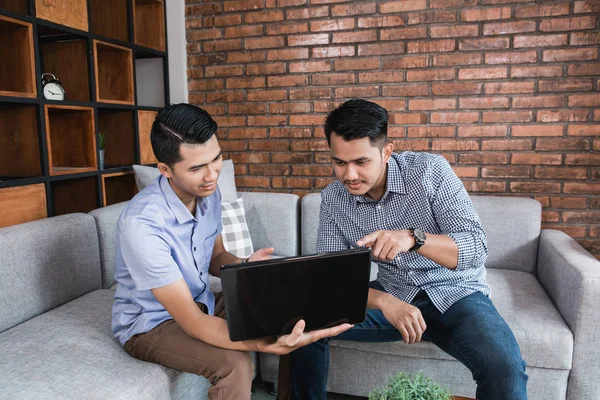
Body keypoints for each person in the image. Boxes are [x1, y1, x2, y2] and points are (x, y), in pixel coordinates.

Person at [289, 99, 527, 400]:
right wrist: (385, 302)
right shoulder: (334, 198)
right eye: (339, 162)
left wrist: (414, 238)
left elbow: (475, 247)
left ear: (386, 152)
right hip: (395, 291)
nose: (349, 175)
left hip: (457, 293)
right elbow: (332, 279)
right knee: (304, 320)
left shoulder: (430, 171)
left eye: (361, 162)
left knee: (505, 368)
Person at [111, 103, 352, 400]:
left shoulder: (208, 194)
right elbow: (192, 321)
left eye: (216, 160)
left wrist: (247, 266)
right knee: (236, 365)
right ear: (165, 170)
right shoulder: (142, 225)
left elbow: (216, 257)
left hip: (201, 301)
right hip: (150, 324)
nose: (212, 174)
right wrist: (261, 345)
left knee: (288, 310)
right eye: (197, 168)